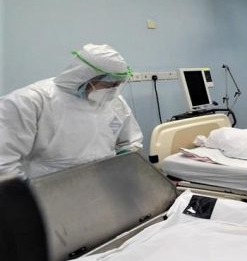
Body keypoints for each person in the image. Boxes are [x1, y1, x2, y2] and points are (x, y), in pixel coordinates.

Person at [0, 44, 143, 179]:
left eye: (118, 85)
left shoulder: (114, 102)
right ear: (85, 77)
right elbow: (4, 163)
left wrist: (125, 161)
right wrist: (24, 193)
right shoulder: (31, 101)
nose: (113, 91)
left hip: (104, 181)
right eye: (109, 84)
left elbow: (131, 141)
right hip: (48, 184)